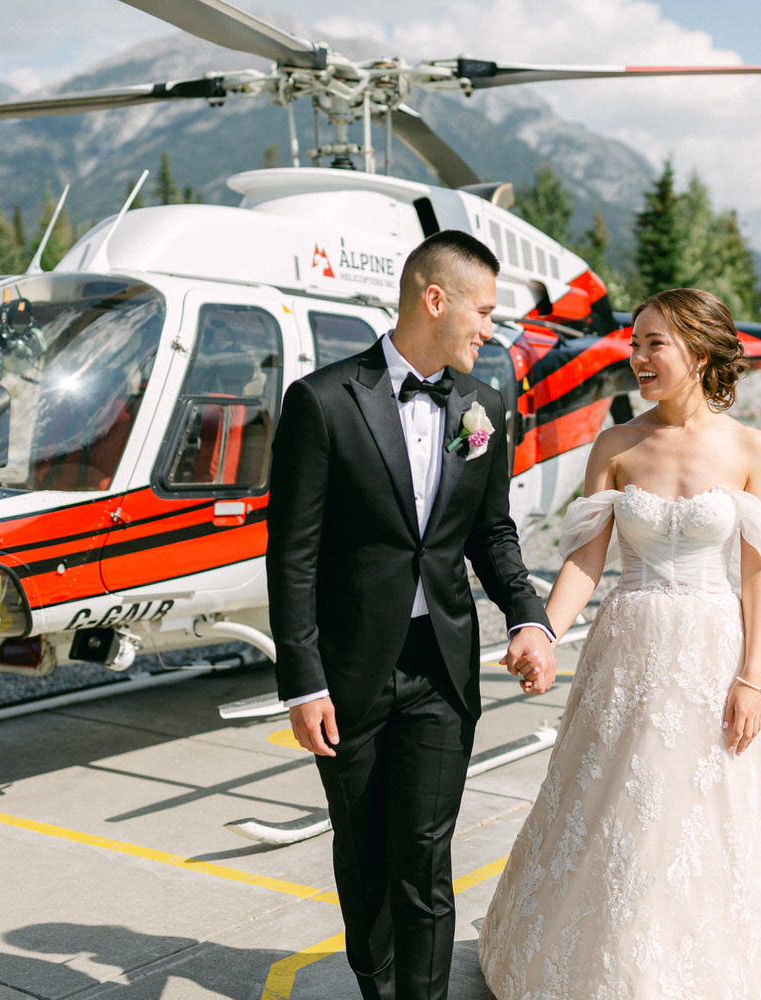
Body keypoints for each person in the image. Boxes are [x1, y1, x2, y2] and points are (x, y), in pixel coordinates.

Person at [478, 288, 761, 998]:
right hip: (626, 649)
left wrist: (752, 678)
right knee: (615, 808)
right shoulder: (616, 443)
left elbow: (760, 575)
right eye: (634, 343)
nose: (636, 357)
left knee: (707, 811)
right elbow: (583, 561)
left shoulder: (751, 449)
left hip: (711, 651)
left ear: (698, 351)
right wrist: (543, 632)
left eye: (653, 344)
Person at [266, 229, 556, 1000]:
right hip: (350, 673)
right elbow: (291, 555)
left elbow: (492, 533)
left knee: (425, 855)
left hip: (441, 668)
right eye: (485, 311)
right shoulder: (322, 402)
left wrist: (528, 617)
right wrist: (303, 682)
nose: (492, 330)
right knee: (364, 855)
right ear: (436, 300)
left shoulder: (484, 406)